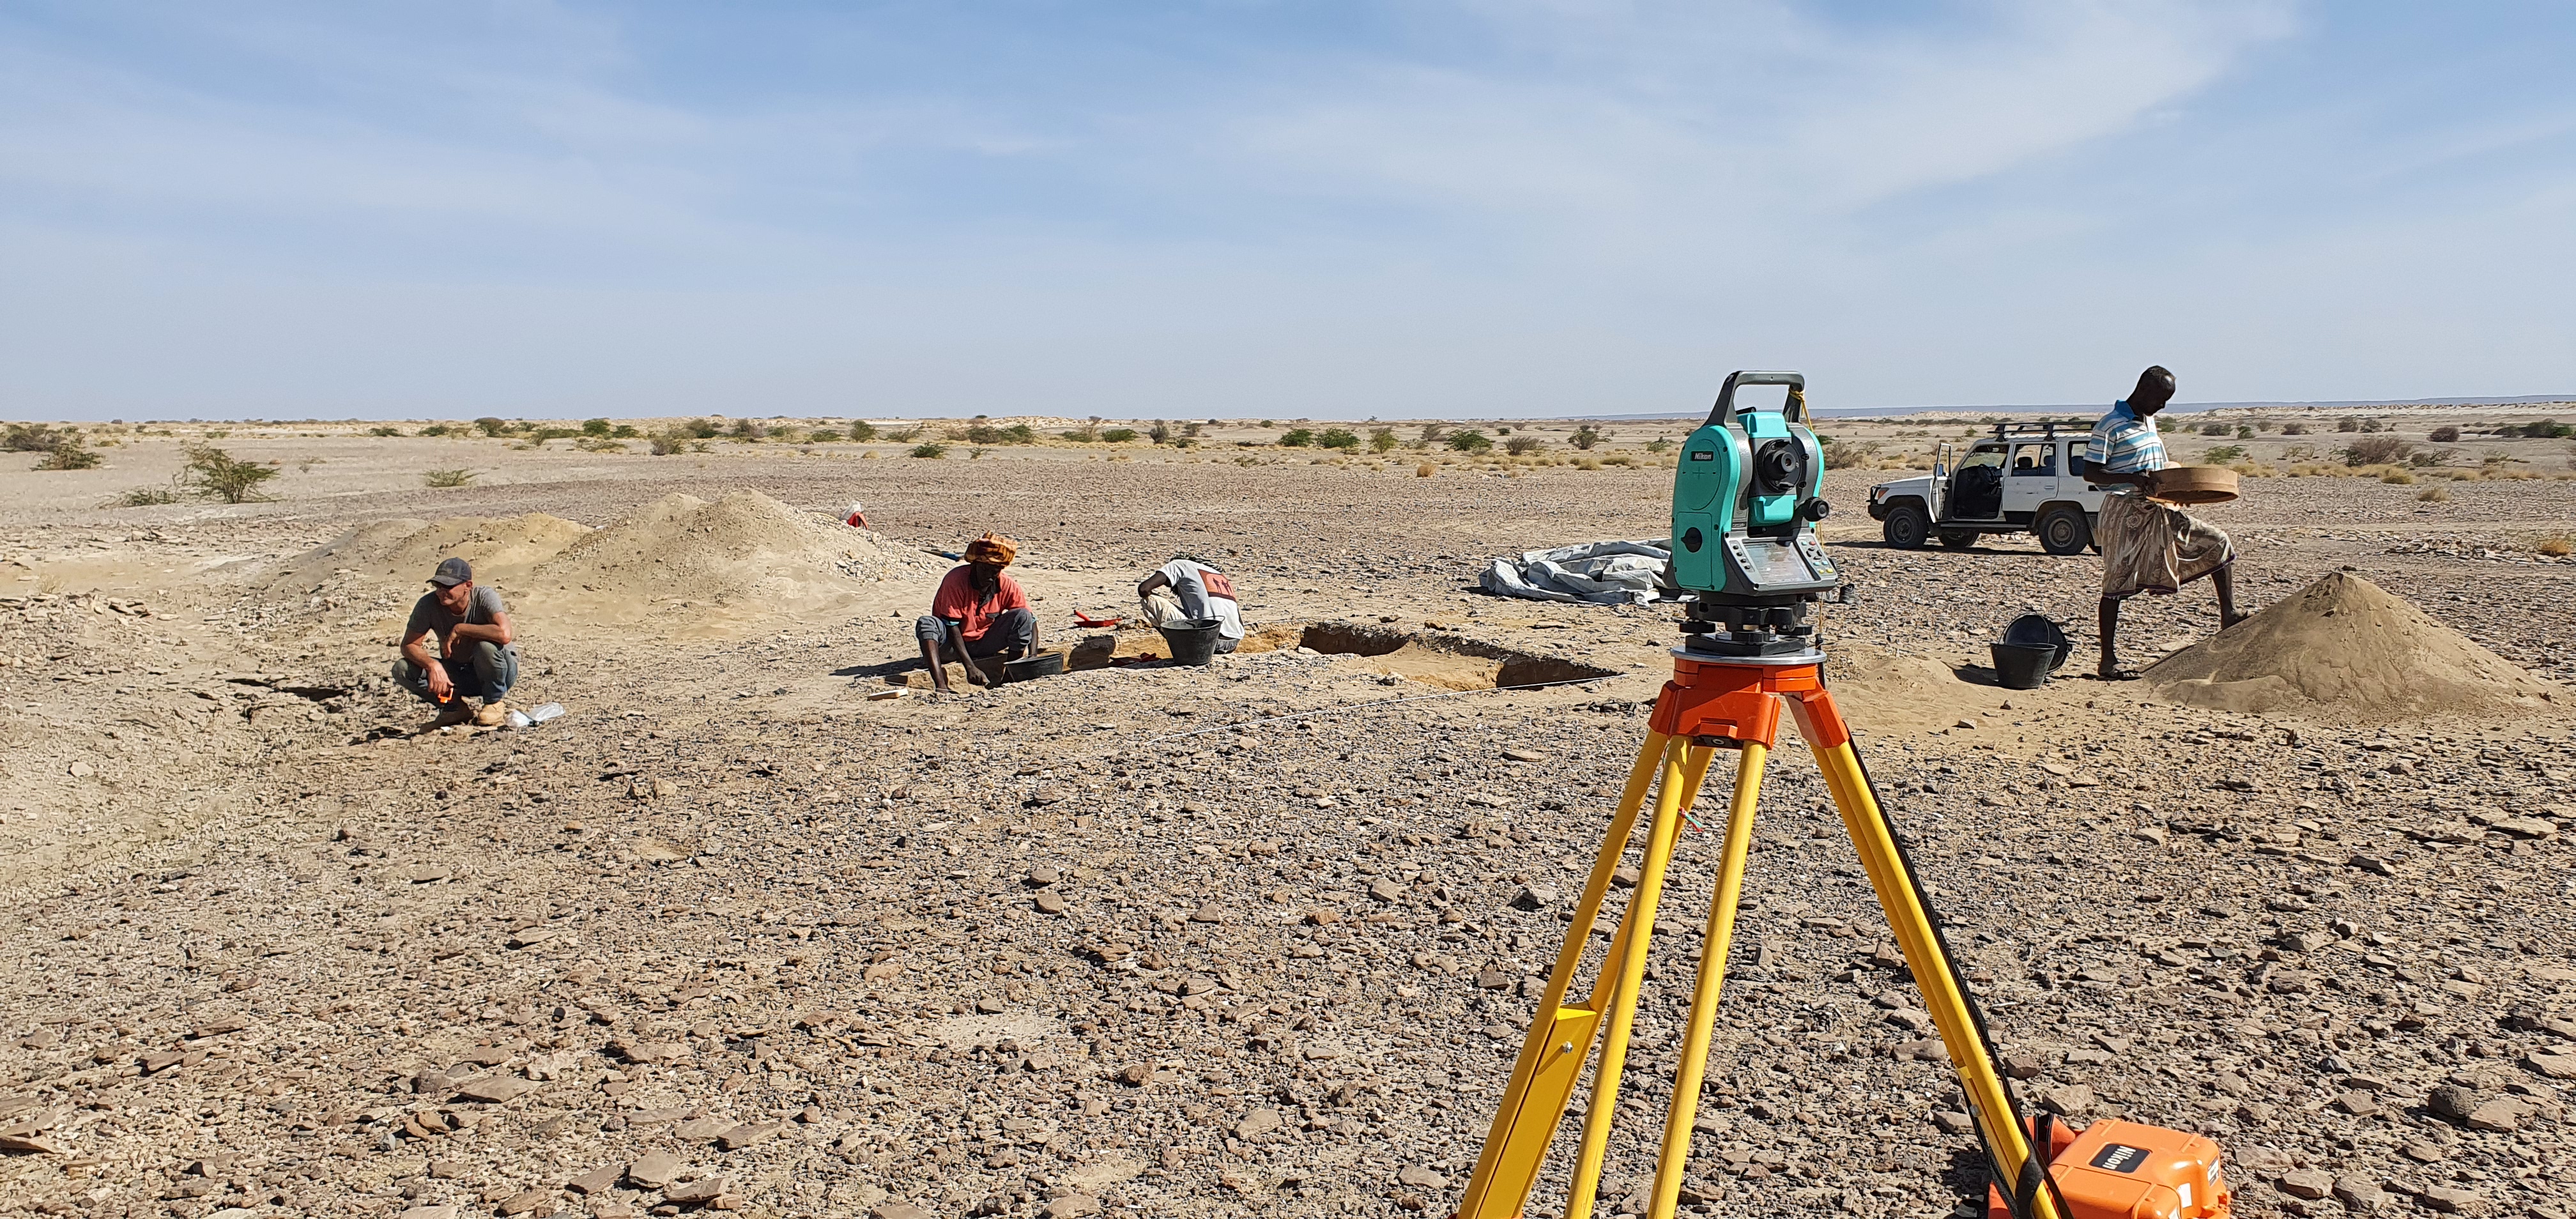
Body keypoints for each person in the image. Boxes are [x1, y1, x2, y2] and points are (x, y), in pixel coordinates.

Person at [2083, 366, 2246, 678]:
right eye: (2161, 399)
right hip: (2124, 512)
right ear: (2144, 390)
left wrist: (2175, 492)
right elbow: (2091, 473)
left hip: (2158, 509)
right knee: (2117, 580)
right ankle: (2107, 660)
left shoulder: (2148, 420)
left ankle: (2228, 613)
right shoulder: (2110, 426)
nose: (2164, 406)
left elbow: (2157, 467)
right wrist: (2131, 478)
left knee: (2217, 542)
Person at [394, 557, 518, 727]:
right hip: (459, 672)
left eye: (448, 587)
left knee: (486, 647)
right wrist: (432, 665)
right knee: (402, 669)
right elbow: (409, 645)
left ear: (468, 586)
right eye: (438, 586)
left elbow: (504, 634)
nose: (441, 592)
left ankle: (494, 703)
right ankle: (455, 708)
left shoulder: (484, 597)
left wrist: (461, 629)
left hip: (500, 673)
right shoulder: (428, 604)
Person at [916, 533, 1038, 692]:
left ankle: (1008, 679)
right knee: (927, 623)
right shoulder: (955, 580)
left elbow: (1031, 620)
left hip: (985, 643)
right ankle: (941, 685)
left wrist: (1033, 656)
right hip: (951, 646)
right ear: (974, 565)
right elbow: (952, 627)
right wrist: (970, 667)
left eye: (994, 572)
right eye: (985, 569)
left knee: (1022, 616)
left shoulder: (1006, 583)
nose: (989, 576)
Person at [1136, 554, 1245, 655]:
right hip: (1232, 644)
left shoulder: (1179, 565)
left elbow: (1144, 589)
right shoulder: (1220, 576)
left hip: (1207, 643)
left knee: (1148, 600)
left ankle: (1184, 652)